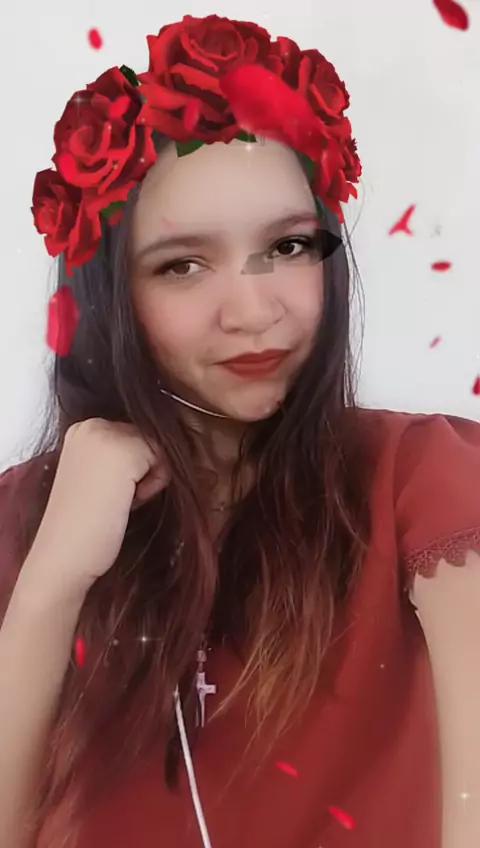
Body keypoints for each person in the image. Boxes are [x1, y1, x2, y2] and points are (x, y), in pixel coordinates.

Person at [0, 13, 479, 848]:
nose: (254, 312)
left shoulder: (424, 479)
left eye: (288, 247)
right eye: (183, 265)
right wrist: (51, 584)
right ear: (112, 296)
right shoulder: (22, 521)